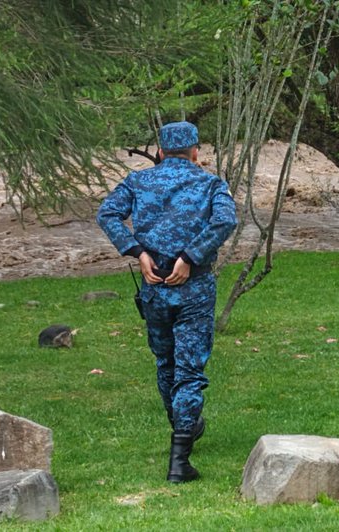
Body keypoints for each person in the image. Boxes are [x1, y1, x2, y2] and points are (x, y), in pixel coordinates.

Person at [96, 121, 237, 483]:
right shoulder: (211, 184)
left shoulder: (138, 181)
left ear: (160, 152)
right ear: (196, 152)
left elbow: (107, 213)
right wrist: (190, 257)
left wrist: (137, 252)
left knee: (166, 364)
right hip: (194, 288)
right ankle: (180, 460)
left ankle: (183, 425)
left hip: (154, 287)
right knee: (189, 371)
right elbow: (226, 220)